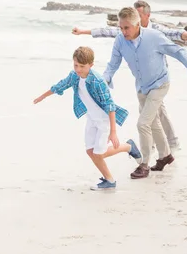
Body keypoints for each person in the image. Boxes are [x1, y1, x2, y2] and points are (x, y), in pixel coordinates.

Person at [72, 0, 187, 152]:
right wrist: (83, 32)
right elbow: (107, 32)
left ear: (145, 16)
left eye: (139, 13)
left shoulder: (154, 30)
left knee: (151, 115)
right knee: (152, 114)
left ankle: (165, 146)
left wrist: (184, 35)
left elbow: (173, 35)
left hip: (158, 79)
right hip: (142, 82)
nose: (136, 15)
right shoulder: (125, 33)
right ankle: (161, 148)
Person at [102, 7, 187, 179]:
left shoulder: (153, 36)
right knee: (153, 123)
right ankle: (165, 156)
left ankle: (143, 164)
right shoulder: (120, 41)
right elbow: (112, 64)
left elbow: (176, 50)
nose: (123, 31)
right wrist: (104, 80)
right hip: (142, 87)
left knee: (142, 123)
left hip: (160, 84)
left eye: (127, 27)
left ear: (137, 24)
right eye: (121, 28)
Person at [33, 46, 142, 191]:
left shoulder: (98, 81)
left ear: (91, 65)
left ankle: (127, 149)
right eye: (76, 65)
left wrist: (113, 132)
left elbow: (110, 106)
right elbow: (61, 85)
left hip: (104, 121)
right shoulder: (74, 76)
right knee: (90, 151)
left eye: (82, 66)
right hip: (91, 118)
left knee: (99, 153)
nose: (78, 69)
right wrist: (42, 97)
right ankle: (110, 178)